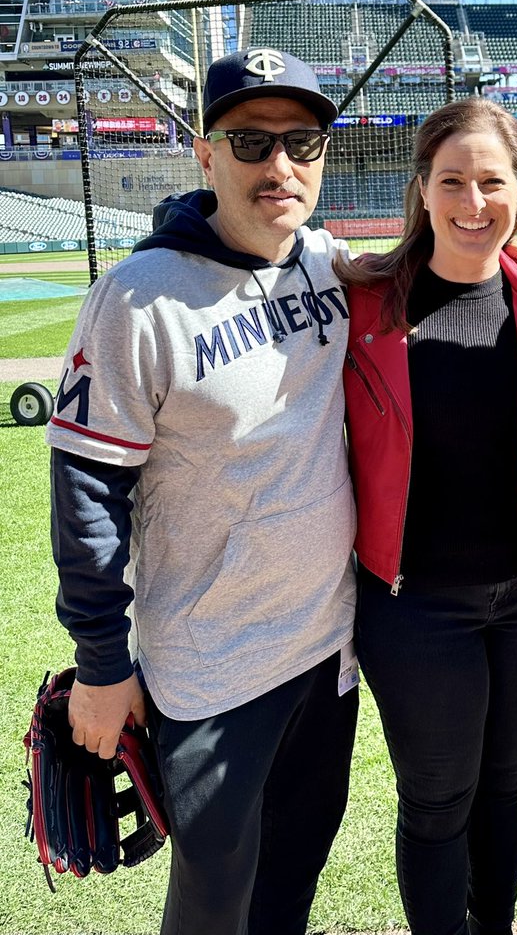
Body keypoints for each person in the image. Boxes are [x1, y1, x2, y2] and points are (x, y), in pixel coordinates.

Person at [47, 48, 360, 935]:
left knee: (295, 870)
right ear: (205, 151)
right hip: (209, 666)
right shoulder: (139, 297)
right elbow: (85, 492)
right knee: (213, 897)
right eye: (251, 141)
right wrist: (105, 665)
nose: (280, 165)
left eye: (303, 141)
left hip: (327, 646)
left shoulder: (328, 266)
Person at [337, 97, 517, 935]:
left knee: (506, 782)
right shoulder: (360, 302)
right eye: (452, 180)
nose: (473, 203)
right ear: (422, 188)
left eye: (492, 181)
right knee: (438, 800)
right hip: (414, 607)